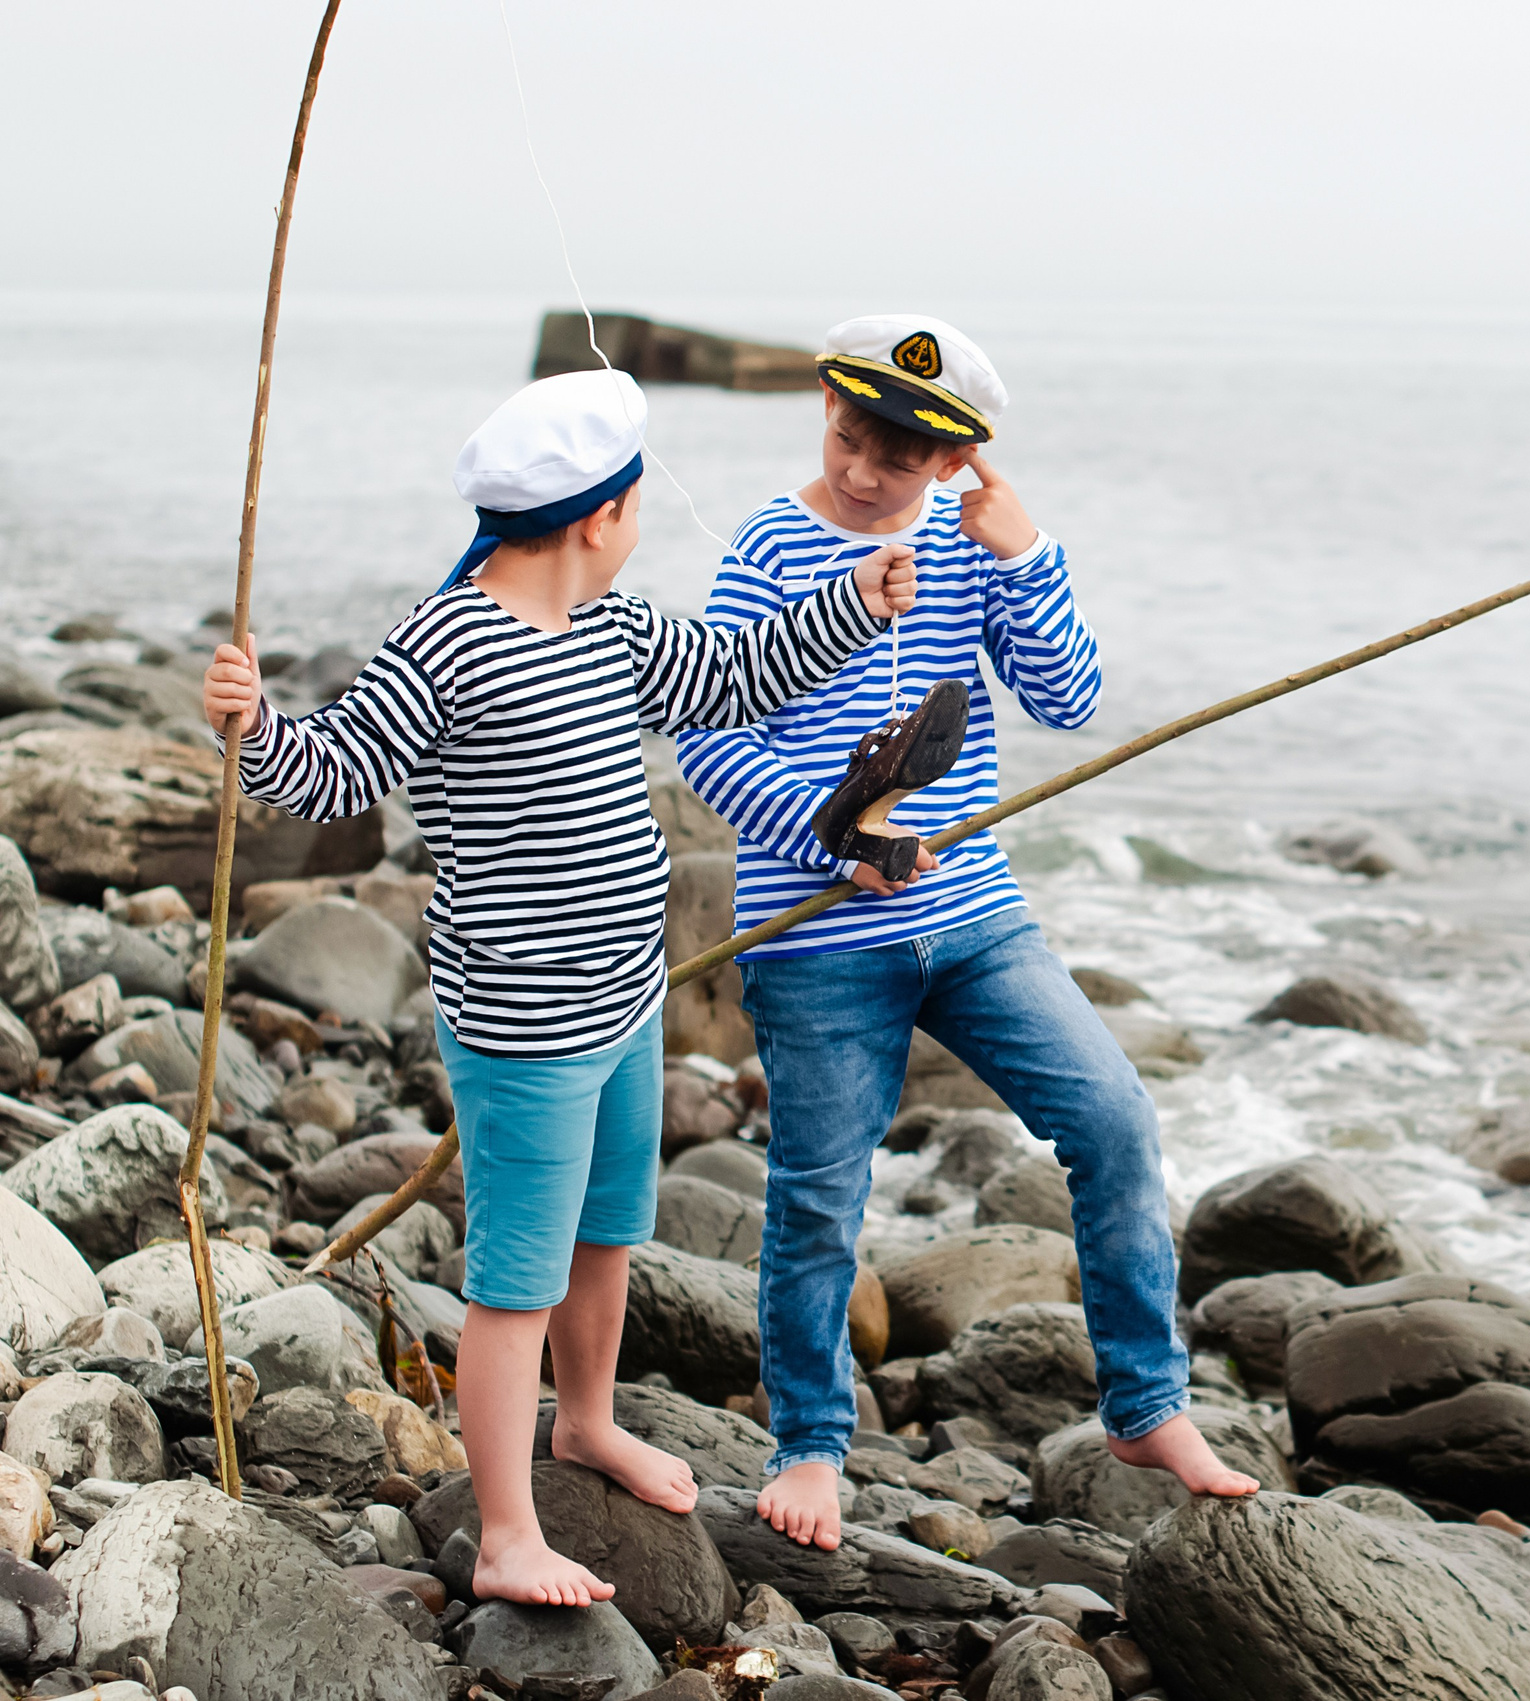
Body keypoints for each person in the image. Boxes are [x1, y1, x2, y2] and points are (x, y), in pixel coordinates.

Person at [199, 369, 916, 1606]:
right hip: (522, 1029)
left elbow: (736, 674)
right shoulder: (447, 640)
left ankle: (586, 1421)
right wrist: (256, 723)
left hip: (625, 1002)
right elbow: (330, 773)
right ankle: (503, 1533)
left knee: (607, 1237)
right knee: (513, 1284)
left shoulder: (621, 630)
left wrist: (850, 604)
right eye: (637, 502)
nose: (639, 521)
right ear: (601, 516)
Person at [677, 313, 1258, 1551]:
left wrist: (1031, 555)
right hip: (814, 930)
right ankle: (811, 1445)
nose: (860, 471)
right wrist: (836, 833)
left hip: (976, 915)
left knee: (1114, 1119)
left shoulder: (973, 540)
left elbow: (1070, 698)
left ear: (953, 463)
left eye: (896, 458)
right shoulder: (773, 543)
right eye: (846, 436)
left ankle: (1145, 1404)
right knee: (821, 1199)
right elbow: (714, 738)